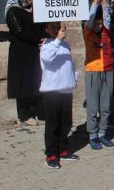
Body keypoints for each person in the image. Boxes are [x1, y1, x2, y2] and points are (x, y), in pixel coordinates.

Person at [39, 22, 79, 169]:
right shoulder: (47, 45)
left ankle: (63, 149)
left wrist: (74, 78)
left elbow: (69, 63)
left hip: (66, 89)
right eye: (53, 28)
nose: (57, 30)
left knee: (66, 123)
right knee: (52, 125)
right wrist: (57, 40)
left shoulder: (65, 44)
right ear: (47, 30)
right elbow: (47, 58)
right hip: (52, 90)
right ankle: (51, 154)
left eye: (59, 27)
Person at [5, 0, 45, 125]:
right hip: (21, 53)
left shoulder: (35, 10)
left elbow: (42, 27)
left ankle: (39, 112)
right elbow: (19, 31)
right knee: (23, 84)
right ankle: (25, 115)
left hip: (36, 50)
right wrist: (38, 39)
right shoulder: (12, 11)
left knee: (36, 80)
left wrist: (44, 39)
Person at [83, 0, 114, 150]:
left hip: (107, 69)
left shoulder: (106, 31)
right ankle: (92, 135)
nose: (98, 24)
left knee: (106, 106)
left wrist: (105, 1)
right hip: (93, 70)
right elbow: (89, 18)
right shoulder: (88, 32)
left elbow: (108, 17)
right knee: (93, 107)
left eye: (100, 22)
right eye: (96, 22)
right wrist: (96, 0)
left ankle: (103, 133)